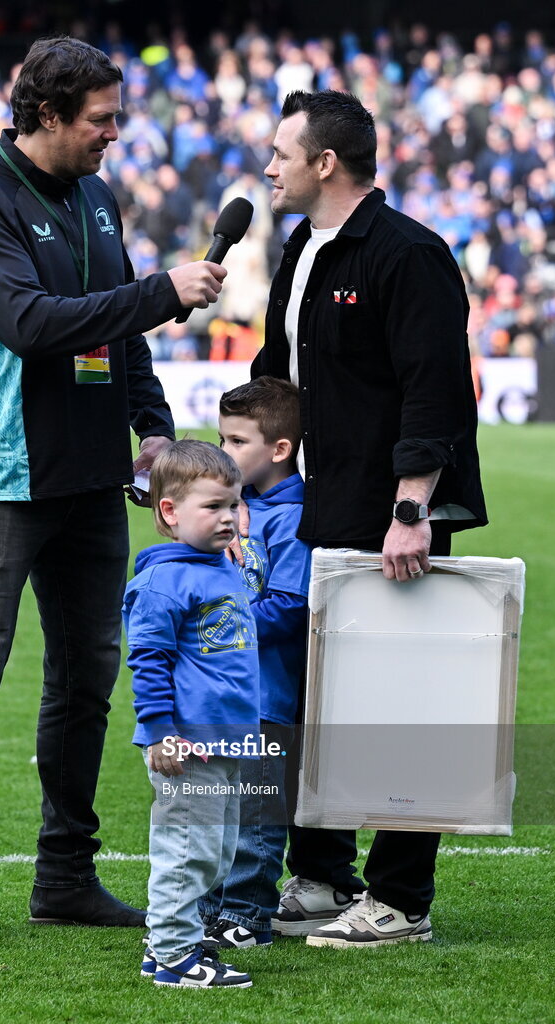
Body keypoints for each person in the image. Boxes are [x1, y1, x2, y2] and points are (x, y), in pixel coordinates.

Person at [0, 36, 228, 949]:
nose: (114, 136)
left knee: (89, 679)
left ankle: (64, 877)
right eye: (100, 120)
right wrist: (164, 294)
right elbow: (29, 325)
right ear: (45, 115)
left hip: (94, 481)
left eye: (116, 118)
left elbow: (117, 322)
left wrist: (154, 425)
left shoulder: (96, 195)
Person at [253, 89, 487, 947]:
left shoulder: (409, 254)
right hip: (312, 510)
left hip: (391, 516)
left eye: (282, 152)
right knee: (322, 705)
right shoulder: (299, 249)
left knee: (397, 707)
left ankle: (400, 899)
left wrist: (411, 508)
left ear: (326, 163)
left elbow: (435, 390)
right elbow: (278, 374)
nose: (268, 166)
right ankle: (319, 878)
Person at [124, 440, 258, 988]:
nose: (227, 517)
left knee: (215, 852)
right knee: (187, 850)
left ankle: (170, 945)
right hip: (187, 744)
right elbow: (148, 660)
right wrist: (161, 733)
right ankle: (173, 956)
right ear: (169, 512)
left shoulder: (218, 566)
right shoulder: (164, 581)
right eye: (212, 507)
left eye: (233, 504)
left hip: (227, 739)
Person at [199, 376, 312, 948]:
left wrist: (217, 628)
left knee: (256, 820)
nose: (224, 453)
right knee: (217, 815)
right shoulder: (226, 509)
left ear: (280, 449)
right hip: (218, 697)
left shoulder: (295, 520)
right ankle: (215, 908)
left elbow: (290, 606)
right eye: (221, 438)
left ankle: (246, 916)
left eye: (237, 441)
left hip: (267, 699)